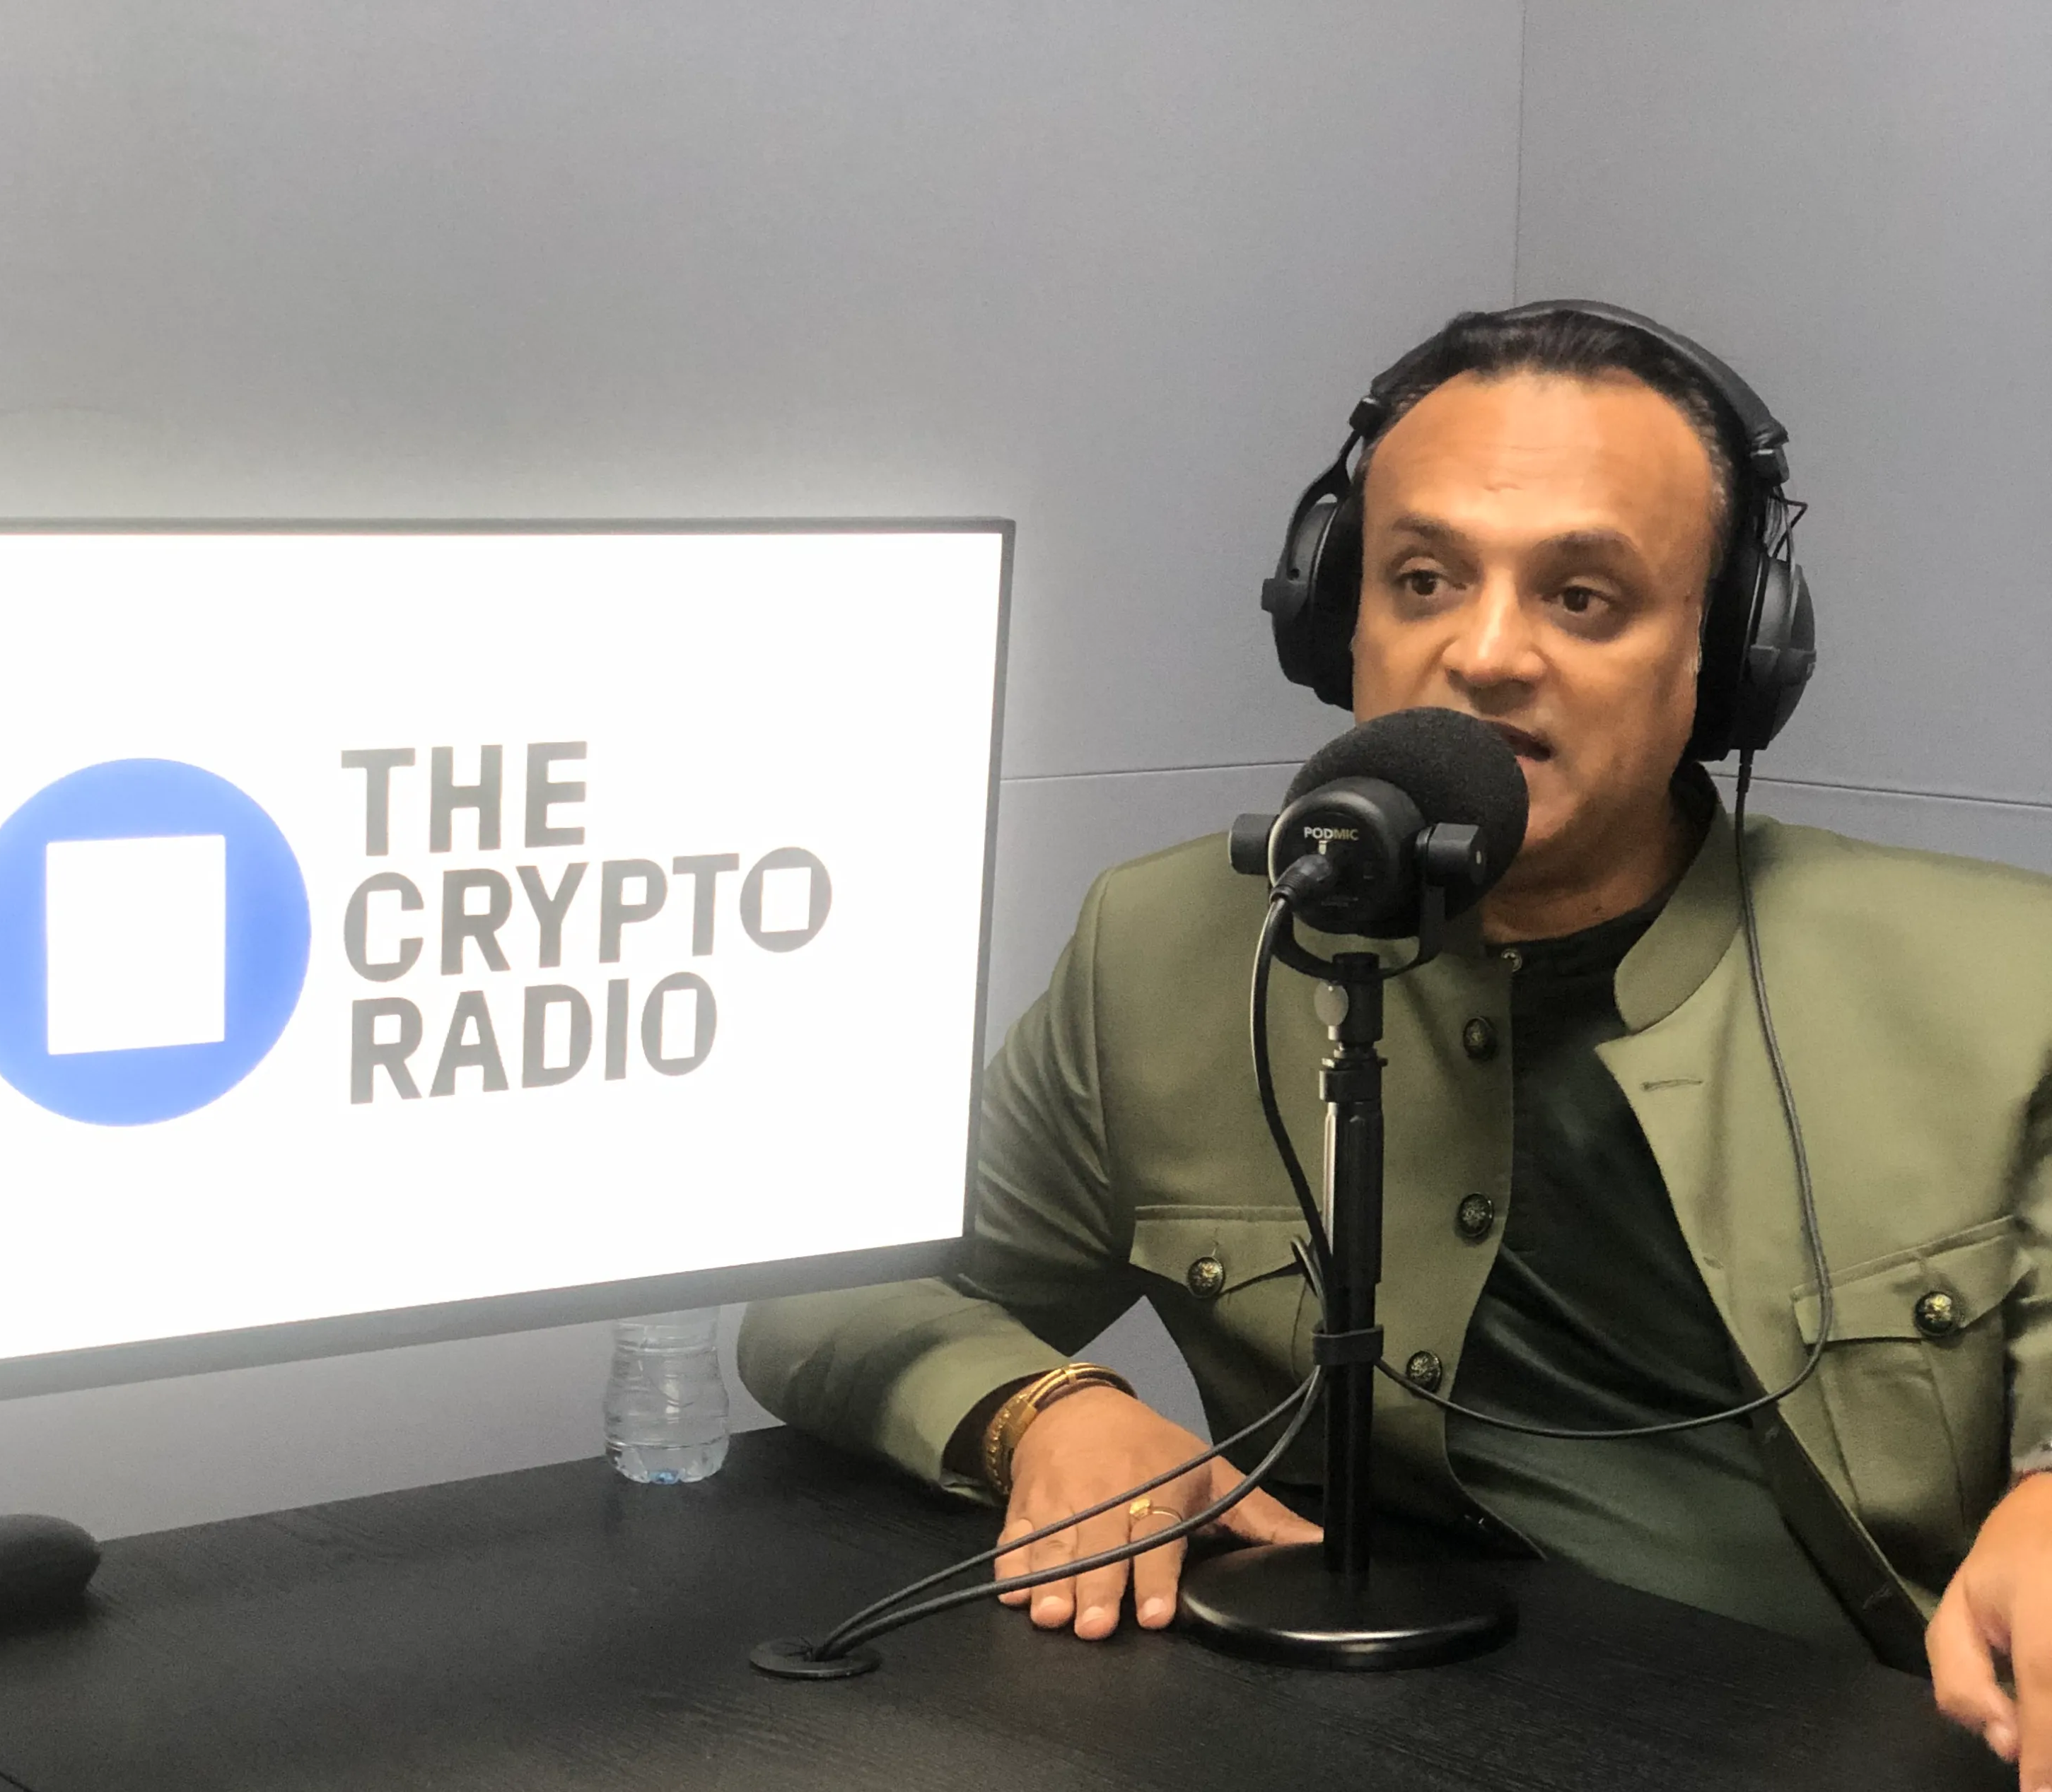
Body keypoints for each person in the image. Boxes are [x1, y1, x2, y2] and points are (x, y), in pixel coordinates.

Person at [738, 303, 2052, 1777]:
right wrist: (1043, 1411)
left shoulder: (2006, 981)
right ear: (1333, 620)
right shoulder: (1165, 949)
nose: (1482, 654)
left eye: (1584, 598)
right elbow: (818, 1293)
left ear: (1728, 655)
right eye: (1422, 580)